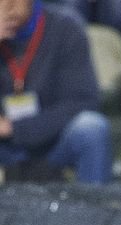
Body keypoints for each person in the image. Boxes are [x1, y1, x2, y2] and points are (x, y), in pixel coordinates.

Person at [0, 0, 112, 183]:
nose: (7, 6)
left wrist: (14, 128)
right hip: (4, 147)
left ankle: (96, 209)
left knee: (91, 129)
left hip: (52, 140)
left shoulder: (64, 26)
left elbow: (83, 101)